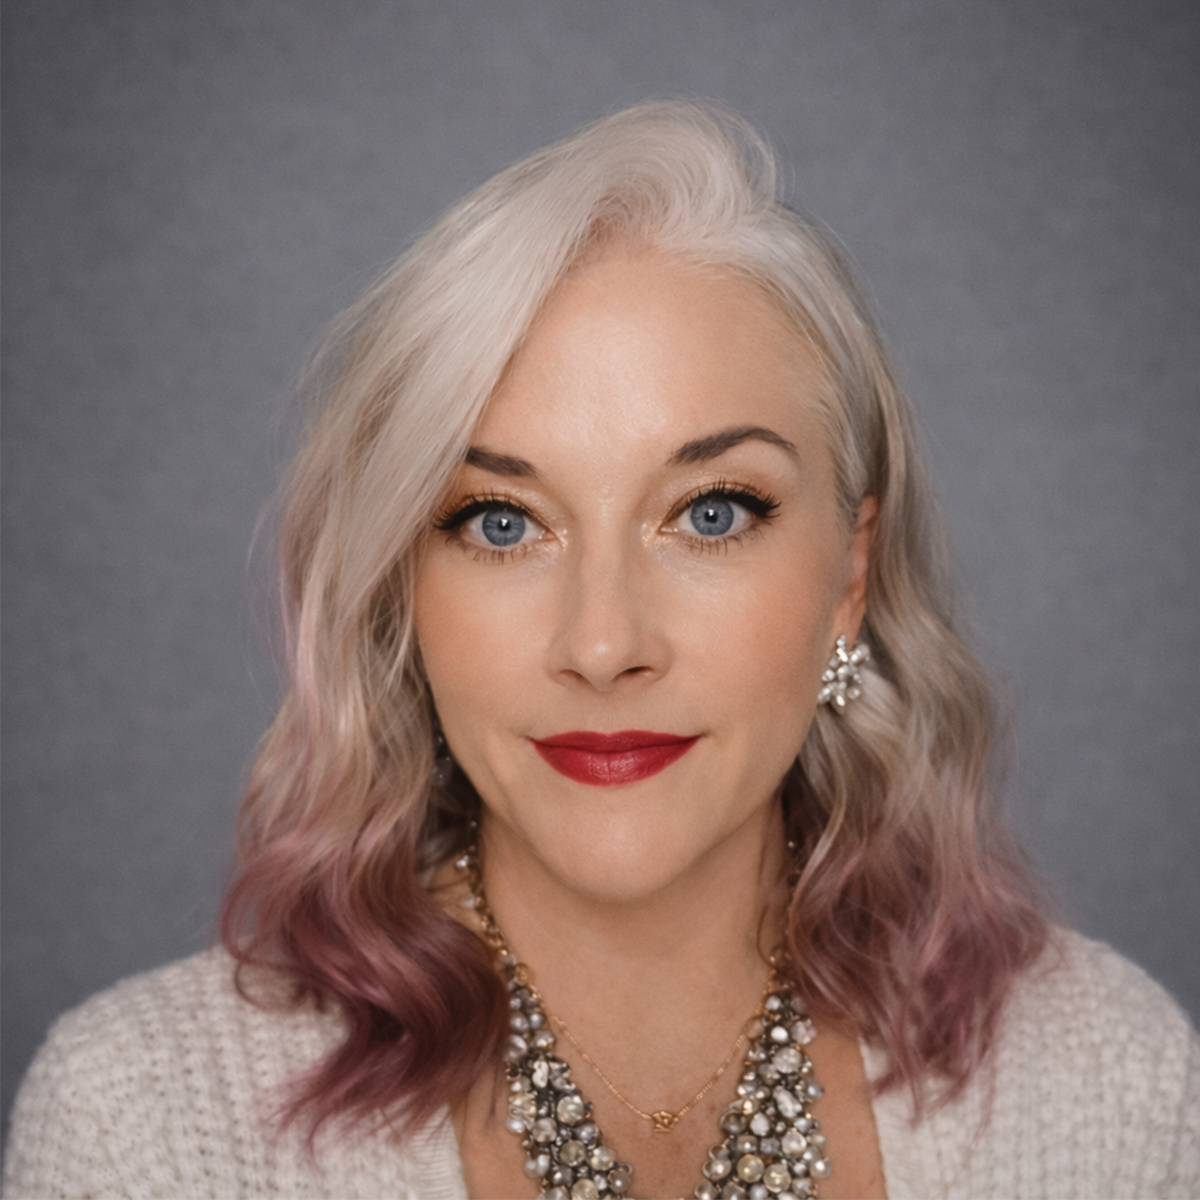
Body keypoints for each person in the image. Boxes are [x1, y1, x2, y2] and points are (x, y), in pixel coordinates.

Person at [4, 100, 1197, 1200]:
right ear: (400, 587)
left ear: (850, 575)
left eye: (712, 513)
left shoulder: (1113, 1085)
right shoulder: (137, 1127)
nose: (604, 643)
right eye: (500, 522)